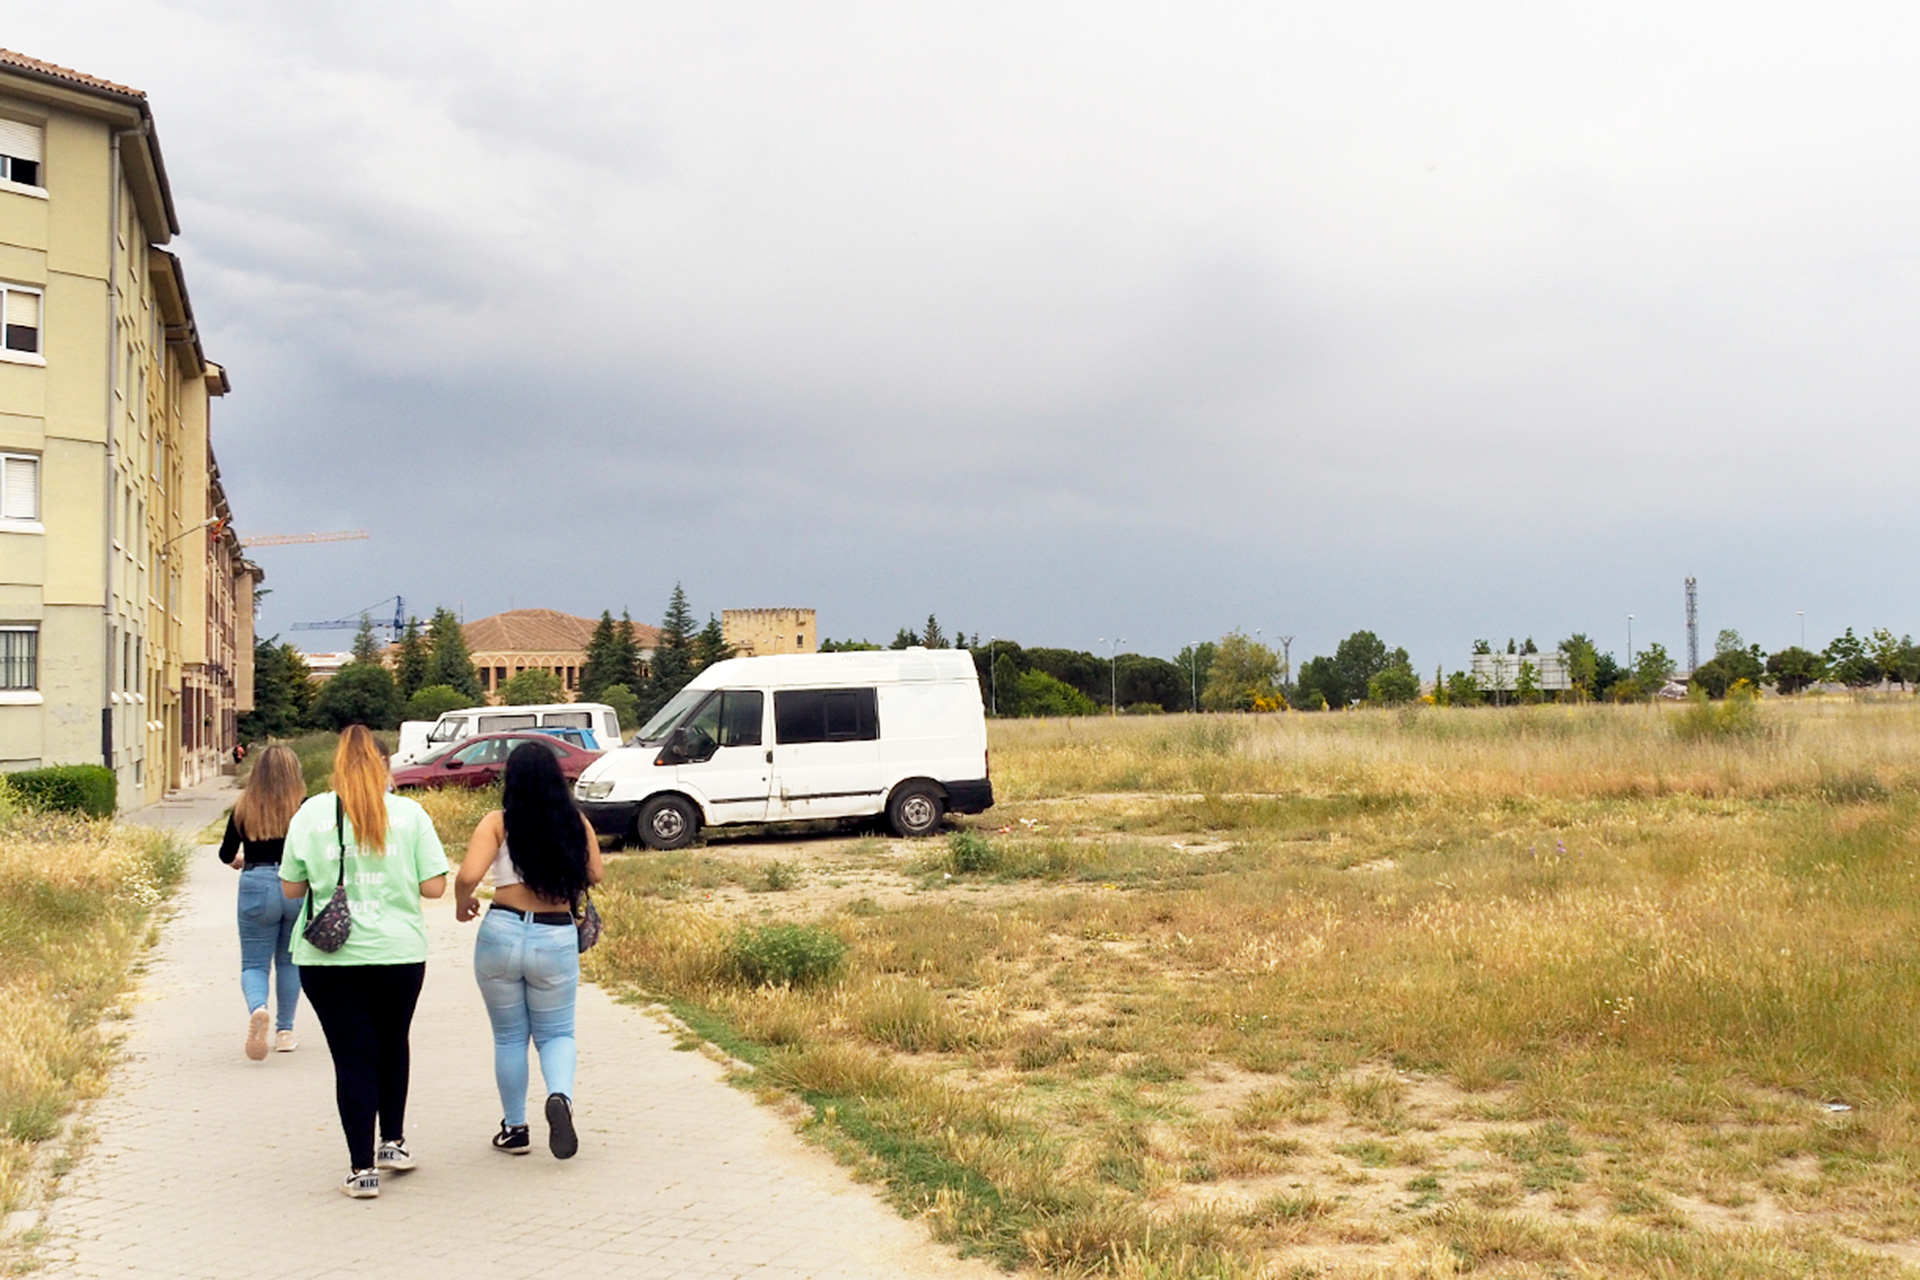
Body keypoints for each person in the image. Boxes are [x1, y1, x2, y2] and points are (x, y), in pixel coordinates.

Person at [280, 725, 449, 1199]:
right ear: (385, 766)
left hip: (328, 958)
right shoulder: (409, 814)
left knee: (353, 1057)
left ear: (336, 765)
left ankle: (361, 1170)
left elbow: (292, 888)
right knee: (392, 1044)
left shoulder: (311, 813)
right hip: (399, 952)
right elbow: (434, 886)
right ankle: (392, 1142)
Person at [455, 741, 603, 1160]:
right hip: (554, 935)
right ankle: (560, 1097)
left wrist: (462, 901)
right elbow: (596, 873)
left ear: (510, 780)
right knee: (557, 1033)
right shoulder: (574, 822)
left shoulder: (498, 823)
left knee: (509, 1037)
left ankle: (515, 1128)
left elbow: (468, 874)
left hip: (501, 931)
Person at [218, 743, 306, 1060]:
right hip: (294, 886)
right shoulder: (303, 807)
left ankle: (258, 1008)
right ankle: (285, 1032)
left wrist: (241, 861)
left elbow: (225, 854)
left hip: (255, 884)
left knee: (254, 964)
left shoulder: (243, 807)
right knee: (289, 961)